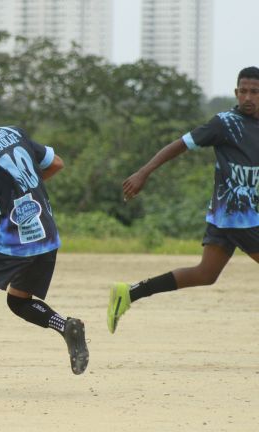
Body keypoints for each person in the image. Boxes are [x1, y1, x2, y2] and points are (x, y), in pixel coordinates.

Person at [0, 96, 89, 396]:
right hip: (46, 234)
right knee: (18, 300)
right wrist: (22, 190)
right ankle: (66, 326)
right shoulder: (13, 133)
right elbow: (56, 163)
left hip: (12, 239)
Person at [107, 66, 259, 334]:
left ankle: (129, 293)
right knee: (205, 274)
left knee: (205, 274)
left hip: (228, 218)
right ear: (236, 93)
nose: (248, 97)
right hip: (238, 216)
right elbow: (179, 144)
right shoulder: (224, 123)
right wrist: (143, 173)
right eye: (243, 91)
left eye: (254, 92)